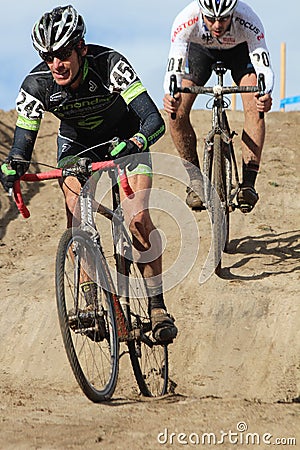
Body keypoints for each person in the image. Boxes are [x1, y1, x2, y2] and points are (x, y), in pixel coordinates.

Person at [0, 5, 177, 343]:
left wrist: (135, 142)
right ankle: (92, 299)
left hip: (125, 138)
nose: (56, 64)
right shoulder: (36, 86)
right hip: (77, 145)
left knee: (137, 218)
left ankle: (157, 307)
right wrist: (13, 168)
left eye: (63, 54)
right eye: (48, 56)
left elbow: (154, 122)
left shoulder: (111, 65)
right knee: (76, 212)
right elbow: (20, 149)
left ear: (81, 47)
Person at [163, 0, 274, 212]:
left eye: (223, 19)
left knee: (256, 107)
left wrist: (265, 94)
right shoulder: (186, 18)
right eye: (211, 19)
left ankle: (248, 184)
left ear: (233, 13)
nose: (217, 25)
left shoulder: (248, 19)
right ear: (201, 13)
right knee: (176, 111)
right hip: (201, 52)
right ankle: (195, 181)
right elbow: (174, 64)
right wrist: (171, 95)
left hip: (239, 53)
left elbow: (263, 65)